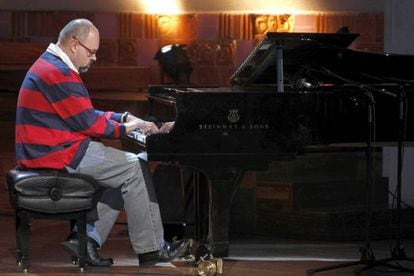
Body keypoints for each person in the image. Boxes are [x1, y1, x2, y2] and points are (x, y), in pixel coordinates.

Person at [15, 18, 185, 267]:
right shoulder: (56, 72)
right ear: (74, 44)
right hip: (54, 154)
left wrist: (125, 118)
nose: (94, 58)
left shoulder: (54, 65)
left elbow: (85, 113)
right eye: (91, 52)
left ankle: (86, 241)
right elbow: (87, 123)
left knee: (125, 170)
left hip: (57, 148)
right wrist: (126, 128)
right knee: (134, 167)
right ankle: (152, 249)